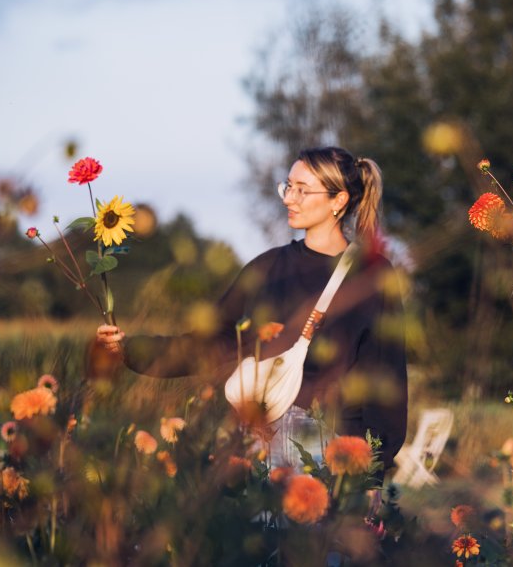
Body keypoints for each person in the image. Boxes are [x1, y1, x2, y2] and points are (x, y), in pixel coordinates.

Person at [95, 147, 408, 469]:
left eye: (302, 190)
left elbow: (386, 378)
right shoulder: (267, 267)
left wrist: (373, 472)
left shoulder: (372, 275)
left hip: (336, 452)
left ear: (338, 201)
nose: (289, 199)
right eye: (288, 187)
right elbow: (210, 342)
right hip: (259, 443)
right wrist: (129, 349)